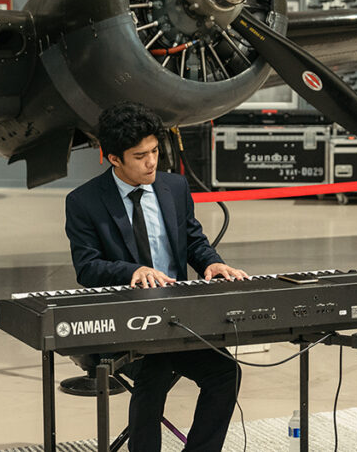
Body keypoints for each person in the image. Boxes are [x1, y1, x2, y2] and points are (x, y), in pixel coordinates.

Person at [64, 102, 248, 452]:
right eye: (140, 156)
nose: (152, 162)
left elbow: (194, 241)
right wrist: (134, 271)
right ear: (113, 158)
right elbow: (87, 267)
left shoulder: (174, 187)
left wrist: (212, 263)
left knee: (226, 372)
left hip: (179, 318)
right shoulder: (83, 201)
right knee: (155, 372)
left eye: (154, 151)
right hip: (128, 319)